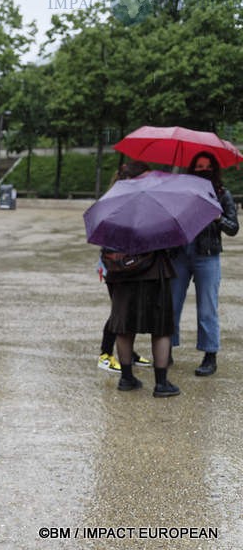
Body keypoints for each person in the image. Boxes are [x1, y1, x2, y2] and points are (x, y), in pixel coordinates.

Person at [103, 161, 179, 397]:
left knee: (124, 327)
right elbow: (172, 240)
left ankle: (127, 379)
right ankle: (161, 383)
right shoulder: (157, 204)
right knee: (161, 328)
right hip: (154, 273)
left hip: (121, 274)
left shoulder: (111, 203)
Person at [170, 151, 239, 376]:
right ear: (192, 168)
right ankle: (165, 349)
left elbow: (233, 228)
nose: (202, 170)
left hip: (207, 255)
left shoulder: (222, 194)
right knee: (171, 304)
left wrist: (217, 216)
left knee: (207, 308)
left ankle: (210, 356)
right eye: (198, 166)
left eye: (206, 166)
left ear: (214, 169)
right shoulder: (182, 192)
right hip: (180, 253)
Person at [97, 163, 152, 372]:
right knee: (119, 311)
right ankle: (105, 354)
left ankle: (128, 351)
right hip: (115, 264)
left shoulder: (136, 200)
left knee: (130, 309)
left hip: (131, 263)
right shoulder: (115, 201)